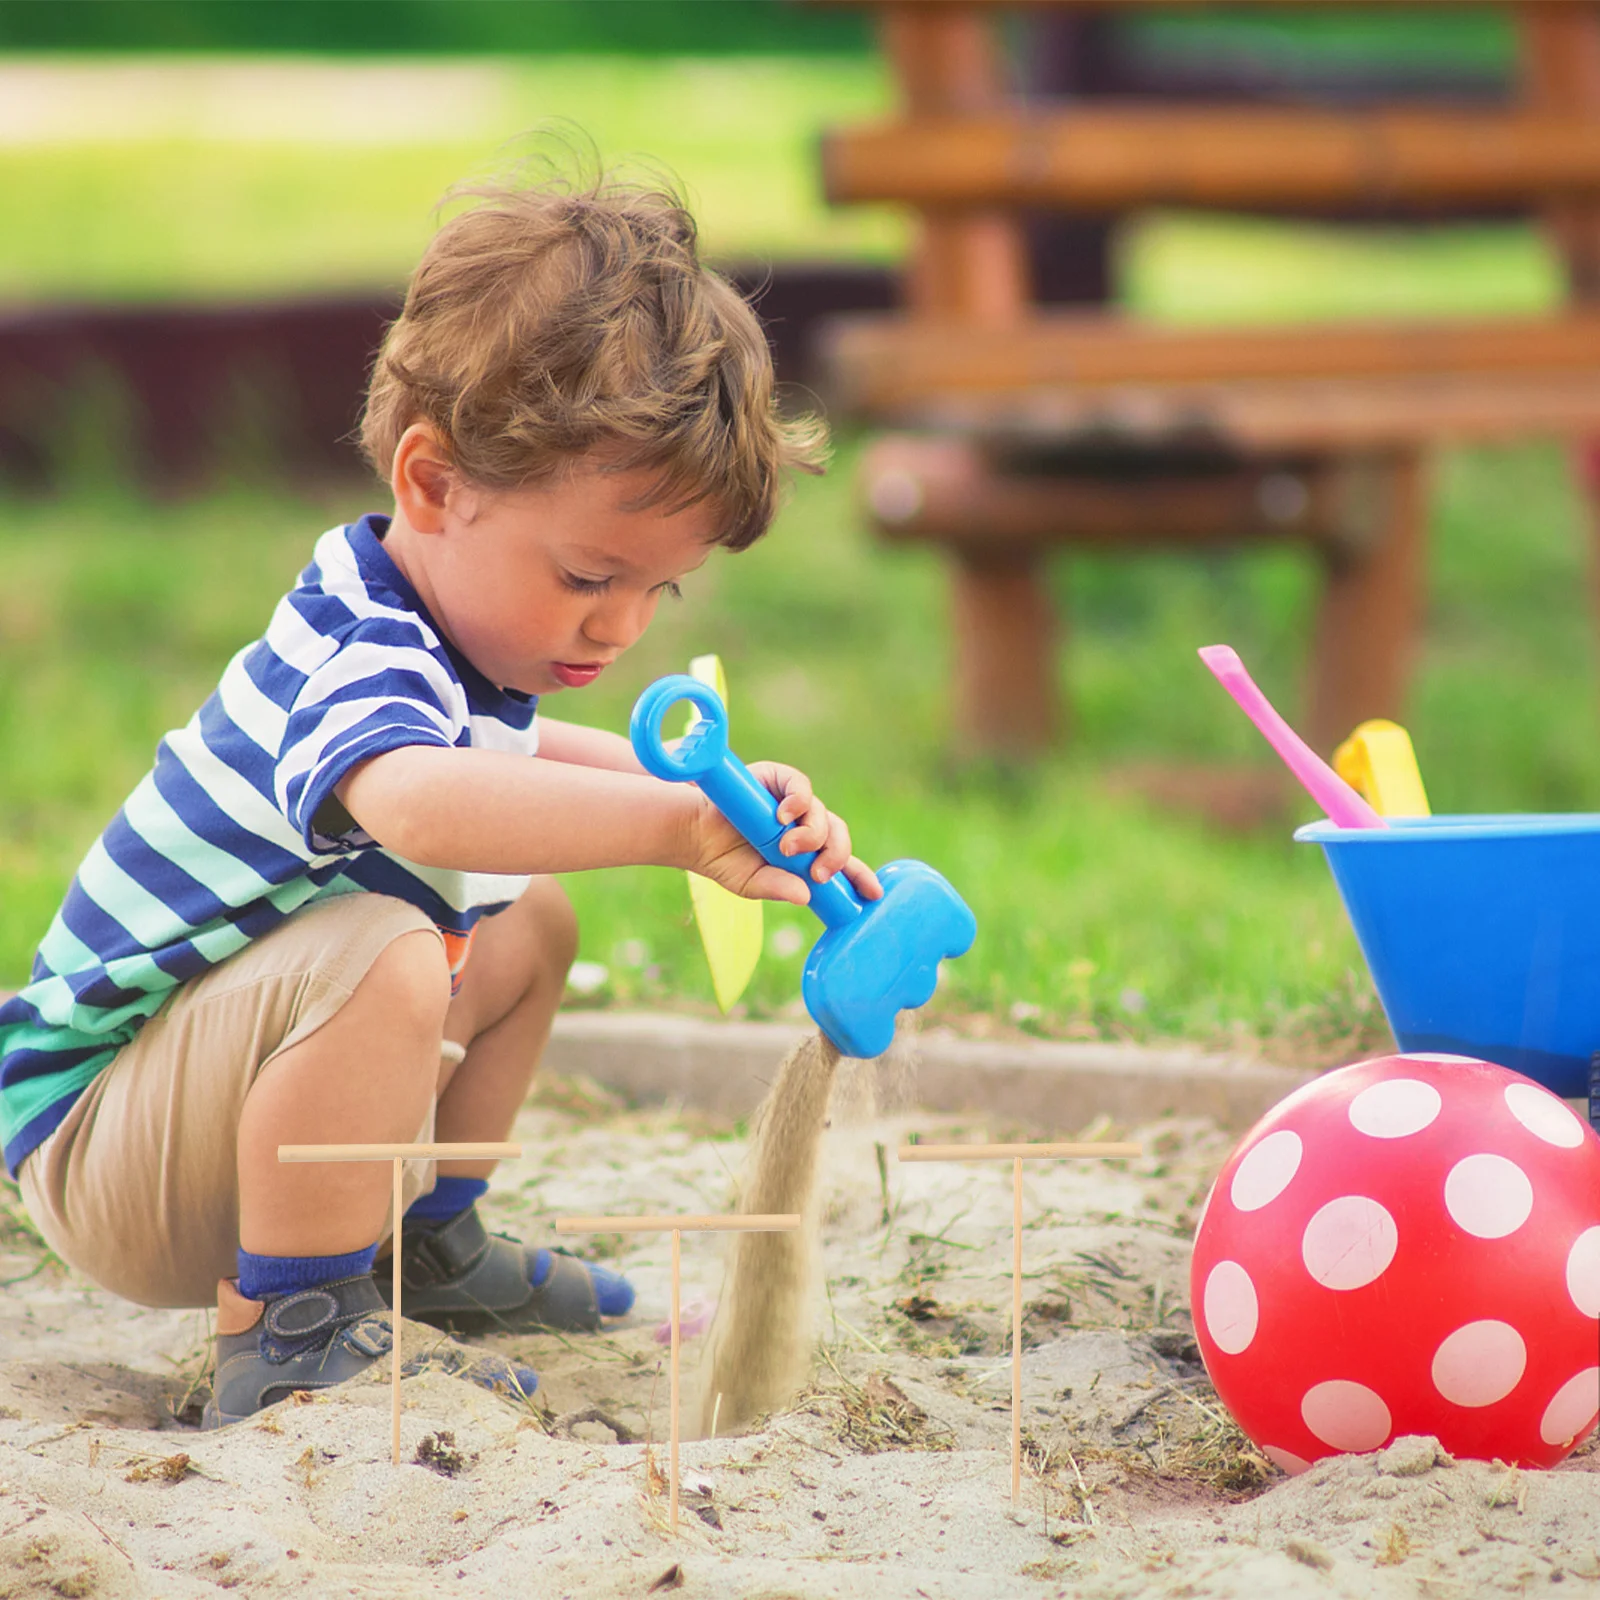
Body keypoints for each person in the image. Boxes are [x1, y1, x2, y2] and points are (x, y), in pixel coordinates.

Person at [0, 167, 880, 1427]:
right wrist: (670, 828)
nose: (620, 625)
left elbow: (510, 759)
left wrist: (714, 795)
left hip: (201, 1117)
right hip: (101, 1141)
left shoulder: (445, 636)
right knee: (389, 947)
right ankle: (294, 1326)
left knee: (530, 925)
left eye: (657, 592)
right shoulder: (360, 646)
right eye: (588, 574)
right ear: (431, 483)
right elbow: (418, 801)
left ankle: (424, 1248)